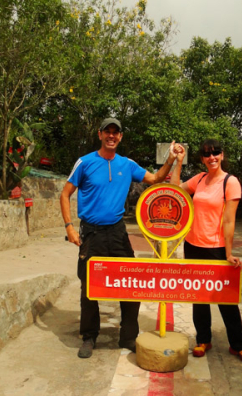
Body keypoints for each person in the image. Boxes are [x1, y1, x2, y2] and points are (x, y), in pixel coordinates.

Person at [60, 118, 184, 358]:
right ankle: (89, 336)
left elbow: (156, 179)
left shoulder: (127, 164)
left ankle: (127, 336)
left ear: (120, 137)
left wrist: (171, 159)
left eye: (115, 133)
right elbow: (65, 194)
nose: (111, 136)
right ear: (100, 135)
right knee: (90, 286)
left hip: (117, 232)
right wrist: (69, 228)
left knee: (131, 283)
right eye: (107, 131)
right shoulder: (85, 162)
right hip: (91, 233)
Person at [170, 138, 242, 364]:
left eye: (216, 153)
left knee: (226, 299)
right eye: (207, 154)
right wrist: (178, 162)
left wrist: (229, 253)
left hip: (216, 248)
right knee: (199, 297)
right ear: (202, 159)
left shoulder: (231, 182)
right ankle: (203, 339)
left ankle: (238, 345)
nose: (212, 157)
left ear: (222, 155)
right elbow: (175, 190)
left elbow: (229, 220)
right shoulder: (199, 179)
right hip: (193, 245)